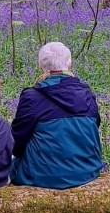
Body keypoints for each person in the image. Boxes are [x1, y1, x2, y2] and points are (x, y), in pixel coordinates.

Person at [10, 42, 104, 189]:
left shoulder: (32, 97)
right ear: (69, 63)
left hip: (40, 176)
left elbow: (16, 140)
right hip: (87, 171)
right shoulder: (86, 93)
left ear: (41, 66)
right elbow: (95, 126)